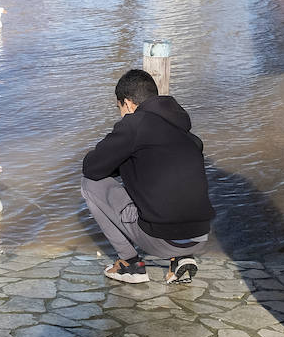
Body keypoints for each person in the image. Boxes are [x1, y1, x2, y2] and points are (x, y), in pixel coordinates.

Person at [81, 68, 215, 285]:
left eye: (120, 109)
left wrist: (121, 160)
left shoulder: (133, 124)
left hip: (161, 238)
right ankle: (181, 259)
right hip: (199, 236)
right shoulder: (188, 135)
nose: (121, 115)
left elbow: (92, 168)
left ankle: (131, 264)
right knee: (170, 187)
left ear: (128, 103)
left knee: (90, 184)